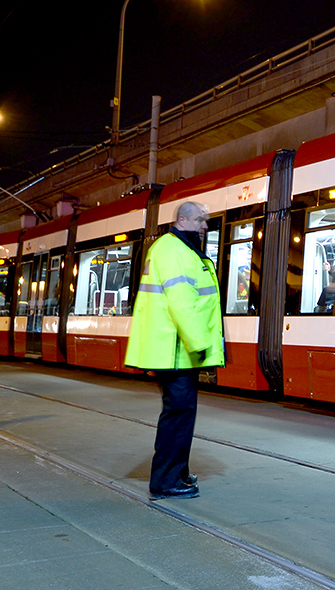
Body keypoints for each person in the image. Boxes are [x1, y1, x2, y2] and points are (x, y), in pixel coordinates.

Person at [124, 201, 224, 500]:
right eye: (200, 221)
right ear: (182, 220)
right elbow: (183, 303)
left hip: (177, 348)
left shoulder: (179, 248)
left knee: (182, 414)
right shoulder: (173, 250)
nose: (205, 227)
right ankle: (166, 481)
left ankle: (177, 472)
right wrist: (202, 344)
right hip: (175, 348)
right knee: (177, 415)